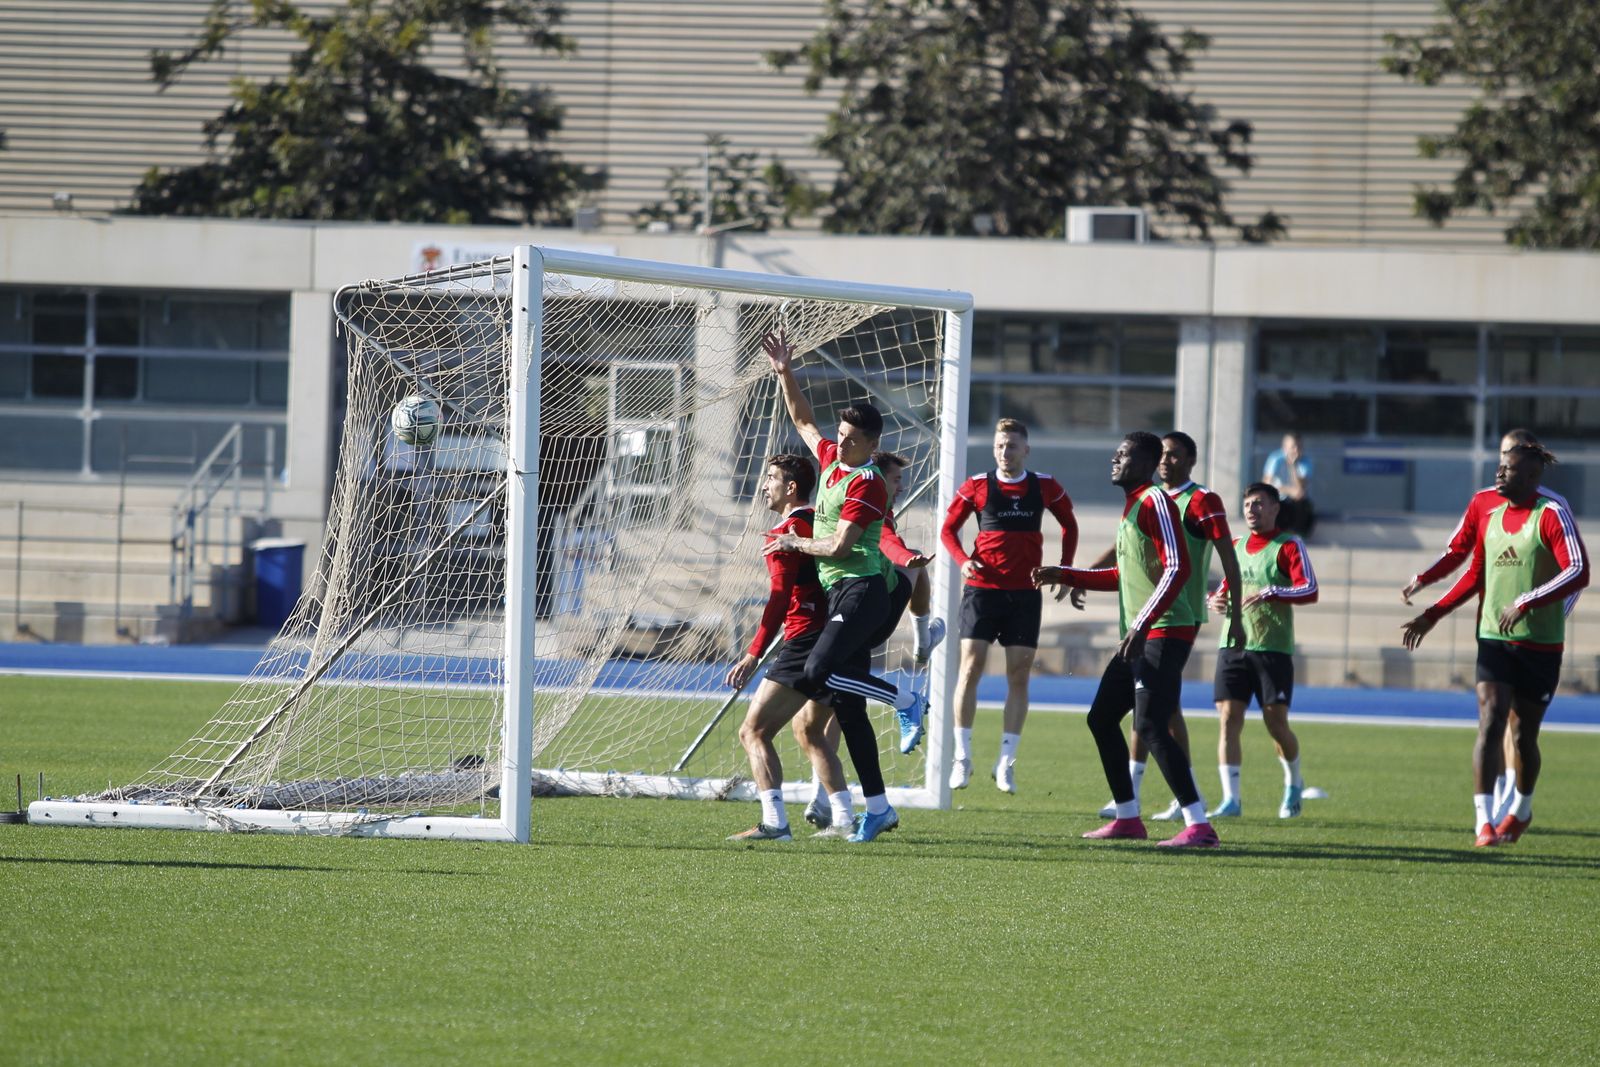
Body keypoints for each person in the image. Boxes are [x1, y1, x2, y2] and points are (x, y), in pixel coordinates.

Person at [759, 329, 928, 843]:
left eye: (856, 439)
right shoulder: (833, 459)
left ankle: (905, 700)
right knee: (849, 709)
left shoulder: (869, 482)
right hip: (842, 594)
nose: (845, 442)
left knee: (818, 669)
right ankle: (877, 809)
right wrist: (786, 371)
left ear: (873, 446)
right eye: (844, 434)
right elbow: (802, 418)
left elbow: (837, 546)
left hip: (861, 591)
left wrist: (793, 545)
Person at [1033, 432, 1219, 848]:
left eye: (1123, 455)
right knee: (1101, 718)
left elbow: (1178, 569)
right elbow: (1122, 576)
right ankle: (1128, 817)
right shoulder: (1133, 508)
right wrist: (1068, 574)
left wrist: (1142, 624)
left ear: (1148, 462)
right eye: (1115, 453)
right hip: (1141, 631)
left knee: (1151, 725)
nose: (1113, 460)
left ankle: (1199, 825)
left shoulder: (1156, 502)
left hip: (1164, 630)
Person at [1400, 439, 1589, 847]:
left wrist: (1528, 600)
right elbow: (1474, 574)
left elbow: (1578, 571)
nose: (1499, 473)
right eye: (1500, 466)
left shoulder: (1551, 514)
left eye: (1510, 468)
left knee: (1523, 736)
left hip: (1540, 643)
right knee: (1490, 719)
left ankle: (1520, 810)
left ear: (1533, 476)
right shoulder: (1490, 513)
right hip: (1492, 638)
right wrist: (1433, 613)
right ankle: (1483, 820)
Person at [1094, 431, 1245, 821]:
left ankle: (1188, 810)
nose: (1167, 460)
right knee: (1149, 714)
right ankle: (1135, 804)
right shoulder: (1141, 503)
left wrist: (1236, 611)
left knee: (1153, 718)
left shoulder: (1195, 500)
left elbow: (1223, 557)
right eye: (1163, 454)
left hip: (1173, 617)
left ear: (1191, 460)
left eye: (1174, 455)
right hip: (1143, 620)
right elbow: (1127, 560)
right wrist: (1075, 575)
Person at [797, 449, 945, 831]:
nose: (901, 487)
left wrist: (907, 559)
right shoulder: (861, 498)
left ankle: (826, 798)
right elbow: (889, 544)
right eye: (896, 480)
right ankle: (875, 808)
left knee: (819, 710)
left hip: (859, 611)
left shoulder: (871, 506)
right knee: (845, 713)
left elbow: (891, 544)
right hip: (846, 610)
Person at [939, 418, 1078, 794]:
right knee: (970, 667)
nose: (1005, 451)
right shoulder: (977, 486)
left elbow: (1070, 525)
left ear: (1026, 450)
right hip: (982, 590)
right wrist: (962, 560)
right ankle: (962, 758)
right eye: (1000, 445)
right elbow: (948, 530)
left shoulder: (1045, 486)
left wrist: (1064, 570)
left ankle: (1006, 762)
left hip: (1025, 593)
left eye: (1012, 446)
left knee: (1019, 674)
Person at [725, 454, 856, 841]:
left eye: (771, 479)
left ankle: (774, 824)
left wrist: (753, 653)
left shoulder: (787, 531)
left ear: (791, 487)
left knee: (753, 732)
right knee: (812, 732)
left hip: (804, 641)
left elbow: (779, 598)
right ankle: (847, 820)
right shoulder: (824, 522)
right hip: (837, 637)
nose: (765, 486)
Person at [1206, 483, 1319, 819]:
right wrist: (1216, 600)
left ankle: (1293, 783)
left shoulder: (1289, 545)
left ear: (1275, 509)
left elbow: (1309, 589)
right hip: (1233, 644)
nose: (1252, 510)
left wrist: (1272, 592)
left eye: (1259, 504)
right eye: (1247, 505)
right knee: (1228, 719)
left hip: (1272, 647)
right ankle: (1231, 800)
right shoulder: (1237, 546)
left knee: (1276, 724)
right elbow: (1225, 587)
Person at [1263, 432, 1315, 537]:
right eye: (1293, 447)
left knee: (1302, 502)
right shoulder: (1275, 459)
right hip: (1279, 498)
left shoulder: (1306, 461)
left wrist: (1293, 466)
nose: (1296, 450)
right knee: (1271, 503)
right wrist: (1288, 490)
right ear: (1284, 448)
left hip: (1295, 502)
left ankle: (1297, 534)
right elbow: (1266, 484)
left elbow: (1300, 489)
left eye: (1299, 446)